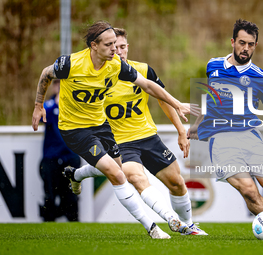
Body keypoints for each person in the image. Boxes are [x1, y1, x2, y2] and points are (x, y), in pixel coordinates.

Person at [32, 20, 197, 239]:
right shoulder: (70, 64)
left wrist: (177, 103)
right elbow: (45, 74)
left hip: (101, 126)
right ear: (94, 46)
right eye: (110, 45)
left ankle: (77, 174)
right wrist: (38, 106)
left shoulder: (116, 66)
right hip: (75, 129)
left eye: (119, 45)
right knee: (119, 175)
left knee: (118, 170)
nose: (115, 50)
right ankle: (156, 226)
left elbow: (147, 84)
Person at [188, 19, 263, 239]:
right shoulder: (213, 66)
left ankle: (249, 172)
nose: (246, 48)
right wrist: (197, 126)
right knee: (249, 191)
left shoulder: (260, 77)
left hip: (250, 136)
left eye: (251, 44)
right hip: (221, 138)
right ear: (232, 42)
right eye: (242, 42)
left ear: (255, 46)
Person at [39, 79, 81, 222]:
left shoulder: (74, 106)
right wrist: (57, 102)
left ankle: (74, 225)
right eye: (57, 83)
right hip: (51, 157)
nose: (59, 86)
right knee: (49, 194)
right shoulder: (49, 105)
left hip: (70, 155)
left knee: (71, 195)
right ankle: (48, 224)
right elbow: (40, 118)